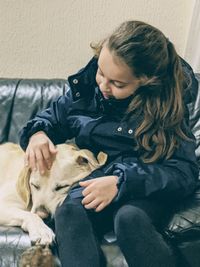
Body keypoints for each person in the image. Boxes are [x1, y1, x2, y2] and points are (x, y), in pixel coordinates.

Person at [19, 20, 199, 267]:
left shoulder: (169, 109)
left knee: (128, 218)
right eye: (101, 73)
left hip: (143, 188)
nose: (103, 85)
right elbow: (53, 117)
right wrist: (38, 133)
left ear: (147, 82)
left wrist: (121, 182)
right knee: (68, 211)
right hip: (97, 179)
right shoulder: (88, 90)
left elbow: (184, 173)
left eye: (118, 84)